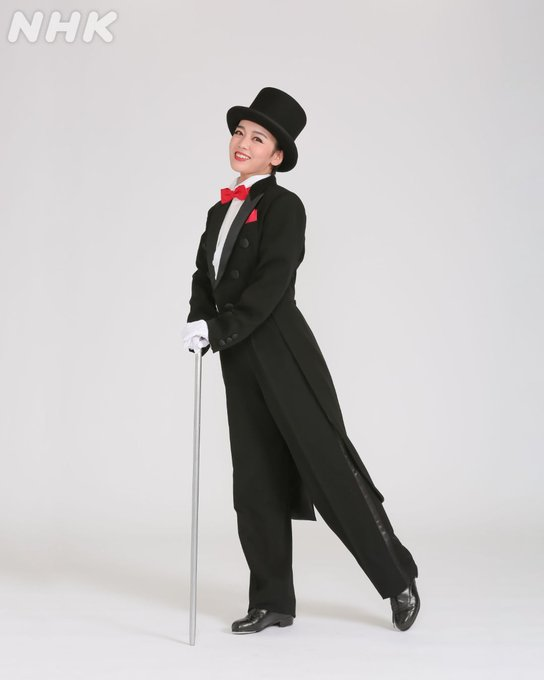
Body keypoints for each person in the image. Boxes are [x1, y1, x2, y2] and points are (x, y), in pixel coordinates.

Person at [183, 86, 420, 634]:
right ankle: (272, 601)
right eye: (239, 132)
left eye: (257, 138)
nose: (243, 143)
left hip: (282, 349)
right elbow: (203, 275)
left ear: (277, 155)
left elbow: (271, 283)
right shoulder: (219, 210)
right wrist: (198, 320)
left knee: (329, 471)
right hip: (237, 355)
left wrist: (218, 328)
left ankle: (397, 578)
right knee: (255, 480)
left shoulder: (285, 207)